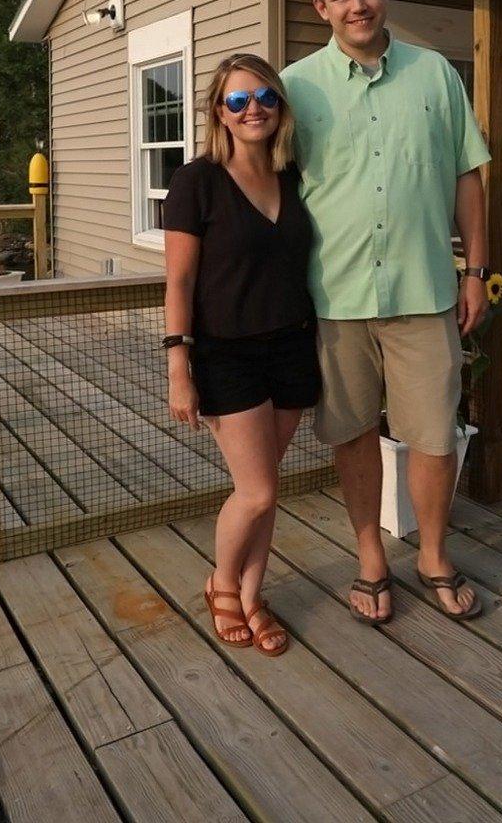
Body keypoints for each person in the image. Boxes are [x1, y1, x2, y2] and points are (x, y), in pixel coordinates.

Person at [282, 0, 490, 623]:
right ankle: (371, 555)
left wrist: (477, 270)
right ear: (321, 8)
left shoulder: (436, 76)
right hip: (334, 296)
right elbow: (265, 187)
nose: (356, 5)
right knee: (351, 433)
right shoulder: (295, 86)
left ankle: (432, 554)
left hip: (425, 290)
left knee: (434, 433)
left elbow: (467, 176)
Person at [161, 52, 319, 657]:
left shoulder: (294, 177)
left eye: (265, 98)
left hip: (292, 344)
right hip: (227, 353)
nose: (253, 109)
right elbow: (178, 283)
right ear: (219, 114)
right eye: (238, 100)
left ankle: (253, 596)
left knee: (267, 488)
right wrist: (180, 365)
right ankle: (222, 585)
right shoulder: (196, 181)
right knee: (256, 491)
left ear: (280, 108)